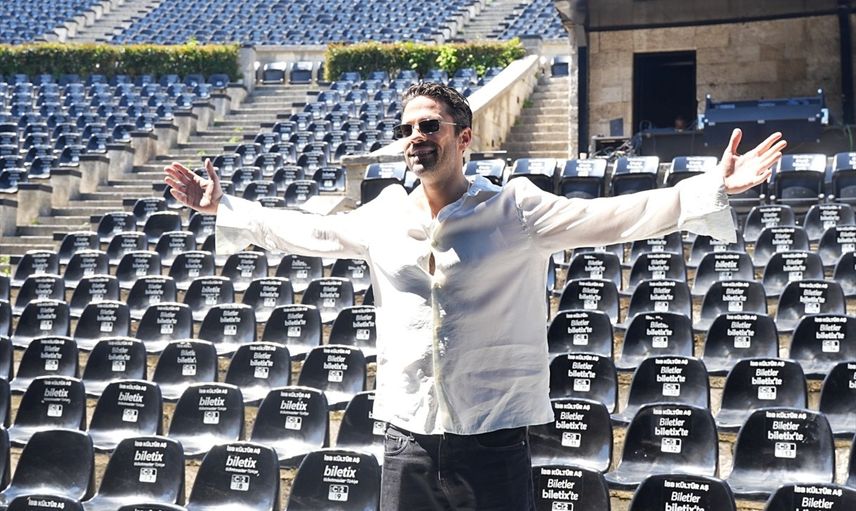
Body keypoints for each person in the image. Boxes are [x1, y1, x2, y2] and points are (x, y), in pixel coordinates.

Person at [164, 82, 786, 511]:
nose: (415, 137)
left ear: (463, 138)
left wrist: (710, 185)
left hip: (492, 437)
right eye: (407, 129)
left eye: (429, 126)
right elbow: (310, 233)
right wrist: (225, 206)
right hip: (407, 436)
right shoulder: (383, 214)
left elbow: (616, 217)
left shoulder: (516, 208)